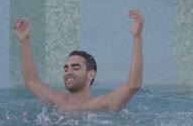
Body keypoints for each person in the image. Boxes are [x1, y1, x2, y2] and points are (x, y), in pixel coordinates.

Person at [13, 9, 144, 111]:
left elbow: (133, 85)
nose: (68, 72)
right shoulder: (57, 100)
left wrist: (137, 37)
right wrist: (25, 40)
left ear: (91, 74)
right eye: (66, 68)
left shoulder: (101, 104)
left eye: (75, 68)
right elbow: (31, 81)